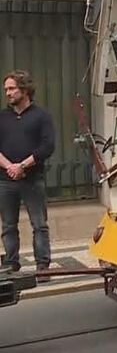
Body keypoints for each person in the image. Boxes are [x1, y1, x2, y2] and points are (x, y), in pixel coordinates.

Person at [0, 70, 55, 276]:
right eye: (6, 89)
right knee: (8, 225)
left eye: (12, 88)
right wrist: (10, 167)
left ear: (25, 90)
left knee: (39, 224)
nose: (8, 93)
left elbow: (47, 146)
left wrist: (23, 166)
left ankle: (42, 266)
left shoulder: (41, 116)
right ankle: (11, 262)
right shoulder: (2, 117)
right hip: (5, 180)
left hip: (32, 179)